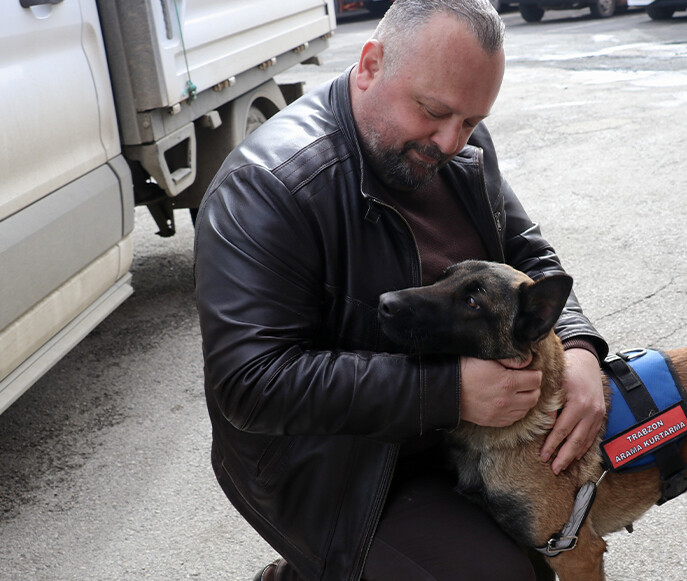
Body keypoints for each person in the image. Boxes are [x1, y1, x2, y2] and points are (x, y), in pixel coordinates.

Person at [192, 1, 609, 580]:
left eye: (469, 121)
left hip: (464, 435)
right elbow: (251, 384)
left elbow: (527, 257)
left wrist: (582, 348)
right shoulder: (269, 188)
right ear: (369, 64)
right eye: (434, 111)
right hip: (341, 466)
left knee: (558, 539)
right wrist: (448, 392)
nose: (450, 141)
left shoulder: (462, 138)